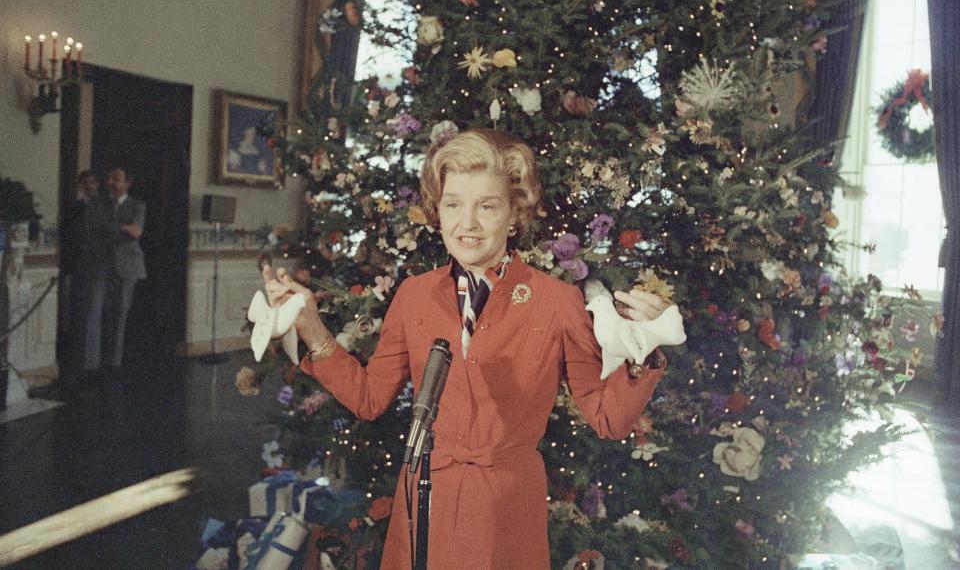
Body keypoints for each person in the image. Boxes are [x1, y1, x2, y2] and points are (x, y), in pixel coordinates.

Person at [261, 129, 678, 569]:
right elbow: (368, 399)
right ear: (437, 213)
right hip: (424, 503)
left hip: (507, 512)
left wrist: (644, 351)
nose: (468, 224)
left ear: (514, 216)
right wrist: (309, 326)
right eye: (453, 204)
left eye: (488, 206)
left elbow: (608, 419)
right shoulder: (414, 295)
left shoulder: (557, 301)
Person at [82, 165, 146, 373]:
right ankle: (90, 366)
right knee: (93, 312)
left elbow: (136, 232)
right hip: (100, 264)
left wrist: (114, 227)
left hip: (127, 267)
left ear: (127, 183)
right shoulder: (97, 203)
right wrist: (122, 227)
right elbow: (92, 229)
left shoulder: (137, 205)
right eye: (109, 177)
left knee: (119, 315)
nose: (111, 182)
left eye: (116, 178)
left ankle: (113, 364)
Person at [56, 170, 100, 389]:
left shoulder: (104, 208)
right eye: (85, 183)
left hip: (98, 270)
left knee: (92, 317)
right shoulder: (74, 208)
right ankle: (74, 365)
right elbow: (68, 236)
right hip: (77, 267)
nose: (89, 186)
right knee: (76, 317)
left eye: (92, 182)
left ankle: (91, 366)